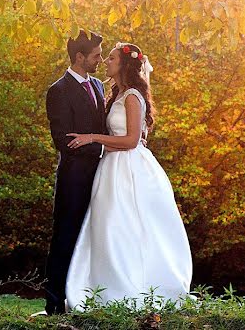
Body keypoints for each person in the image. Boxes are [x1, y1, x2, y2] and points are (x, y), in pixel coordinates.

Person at [64, 42, 192, 310]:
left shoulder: (133, 96)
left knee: (129, 226)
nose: (106, 62)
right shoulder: (116, 95)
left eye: (110, 58)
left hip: (130, 169)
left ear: (124, 65)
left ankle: (137, 286)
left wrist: (91, 138)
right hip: (111, 167)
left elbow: (132, 140)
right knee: (110, 228)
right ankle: (109, 287)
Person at [43, 29, 110, 315]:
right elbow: (64, 140)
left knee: (95, 237)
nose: (101, 60)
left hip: (103, 176)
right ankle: (55, 302)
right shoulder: (58, 91)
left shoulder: (98, 85)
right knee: (66, 236)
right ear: (80, 57)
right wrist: (103, 149)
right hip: (74, 178)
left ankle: (86, 298)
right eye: (96, 56)